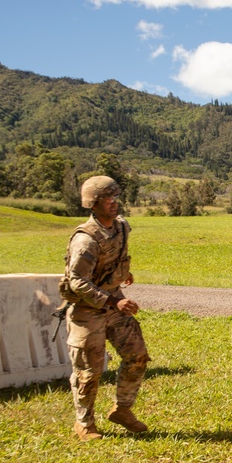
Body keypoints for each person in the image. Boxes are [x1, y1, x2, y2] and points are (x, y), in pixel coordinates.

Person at [62, 175, 151, 441]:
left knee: (137, 356)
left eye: (115, 197)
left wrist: (123, 273)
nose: (113, 202)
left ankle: (122, 410)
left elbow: (113, 257)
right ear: (93, 203)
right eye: (107, 198)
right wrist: (114, 301)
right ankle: (85, 424)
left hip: (113, 301)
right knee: (89, 371)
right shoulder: (85, 239)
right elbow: (77, 281)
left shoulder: (121, 227)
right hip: (87, 310)